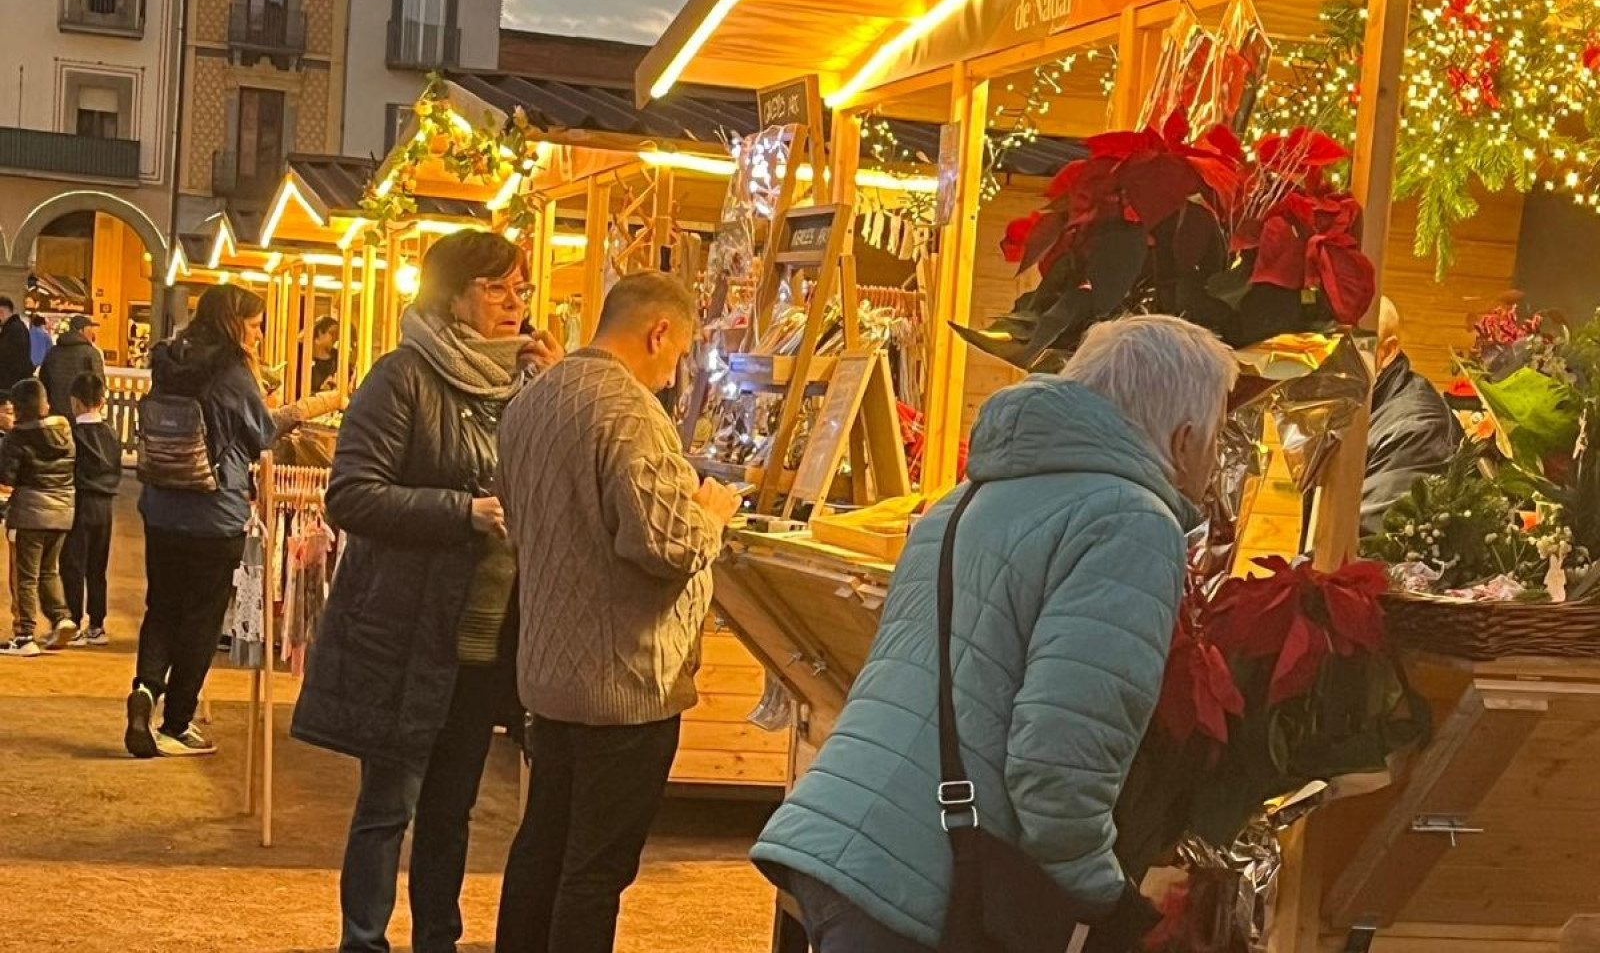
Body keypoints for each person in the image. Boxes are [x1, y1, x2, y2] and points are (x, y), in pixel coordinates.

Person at [749, 315, 1239, 953]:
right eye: (1218, 434)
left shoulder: (963, 501)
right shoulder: (1132, 521)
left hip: (845, 837)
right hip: (925, 881)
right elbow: (1059, 759)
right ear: (1184, 438)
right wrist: (1110, 902)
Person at [292, 231, 563, 953]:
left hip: (487, 638)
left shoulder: (525, 384)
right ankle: (365, 941)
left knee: (453, 809)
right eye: (497, 287)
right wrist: (460, 511)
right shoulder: (402, 375)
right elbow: (350, 493)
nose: (516, 303)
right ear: (450, 294)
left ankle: (437, 940)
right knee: (389, 804)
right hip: (408, 630)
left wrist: (562, 383)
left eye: (522, 289)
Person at [495, 270, 743, 953]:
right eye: (680, 351)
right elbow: (667, 545)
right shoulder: (632, 414)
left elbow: (517, 516)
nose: (675, 371)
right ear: (658, 331)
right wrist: (711, 512)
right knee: (595, 870)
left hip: (550, 670)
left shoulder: (534, 399)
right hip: (625, 681)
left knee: (542, 844)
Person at [126, 284, 277, 759]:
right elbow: (262, 435)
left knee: (163, 606)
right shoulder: (231, 370)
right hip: (216, 513)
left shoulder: (169, 357)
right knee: (202, 619)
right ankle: (176, 724)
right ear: (234, 322)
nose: (257, 334)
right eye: (253, 324)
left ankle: (146, 688)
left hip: (162, 506)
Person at [1362, 297, 1462, 536]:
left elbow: (1373, 538)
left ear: (1387, 351)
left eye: (1353, 345)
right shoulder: (1362, 406)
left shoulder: (1416, 428)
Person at [0, 378, 77, 656]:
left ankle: (24, 637)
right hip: (64, 510)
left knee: (26, 576)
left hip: (30, 513)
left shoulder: (17, 438)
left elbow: (7, 479)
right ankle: (61, 617)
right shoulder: (65, 431)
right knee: (49, 569)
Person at [63, 372, 121, 647]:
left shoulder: (72, 434)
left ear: (75, 402)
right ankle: (97, 624)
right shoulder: (111, 433)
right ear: (102, 400)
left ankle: (73, 622)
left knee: (73, 564)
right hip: (106, 505)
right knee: (97, 567)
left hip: (80, 502)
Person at [40, 315, 106, 420]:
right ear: (81, 330)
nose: (92, 334)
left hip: (56, 411)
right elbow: (98, 382)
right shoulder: (91, 353)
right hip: (83, 412)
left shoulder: (53, 352)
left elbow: (43, 381)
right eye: (90, 330)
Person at [0, 295, 32, 399]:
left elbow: (9, 362)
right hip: (13, 387)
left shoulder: (13, 331)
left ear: (1, 312)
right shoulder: (16, 328)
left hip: (10, 389)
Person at [310, 315, 343, 394]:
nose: (336, 338)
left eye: (337, 334)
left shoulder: (338, 356)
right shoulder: (305, 356)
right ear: (320, 333)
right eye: (332, 333)